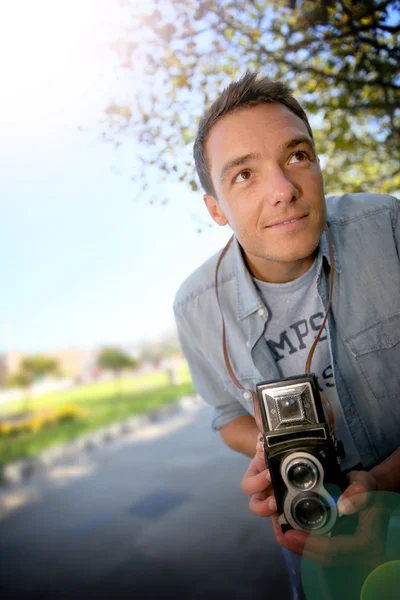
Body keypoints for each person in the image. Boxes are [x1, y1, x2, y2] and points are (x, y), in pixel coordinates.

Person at [173, 71, 400, 599]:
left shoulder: (388, 228)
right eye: (244, 175)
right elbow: (228, 417)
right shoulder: (195, 307)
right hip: (312, 533)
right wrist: (276, 460)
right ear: (215, 208)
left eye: (297, 155)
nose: (283, 190)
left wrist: (382, 481)